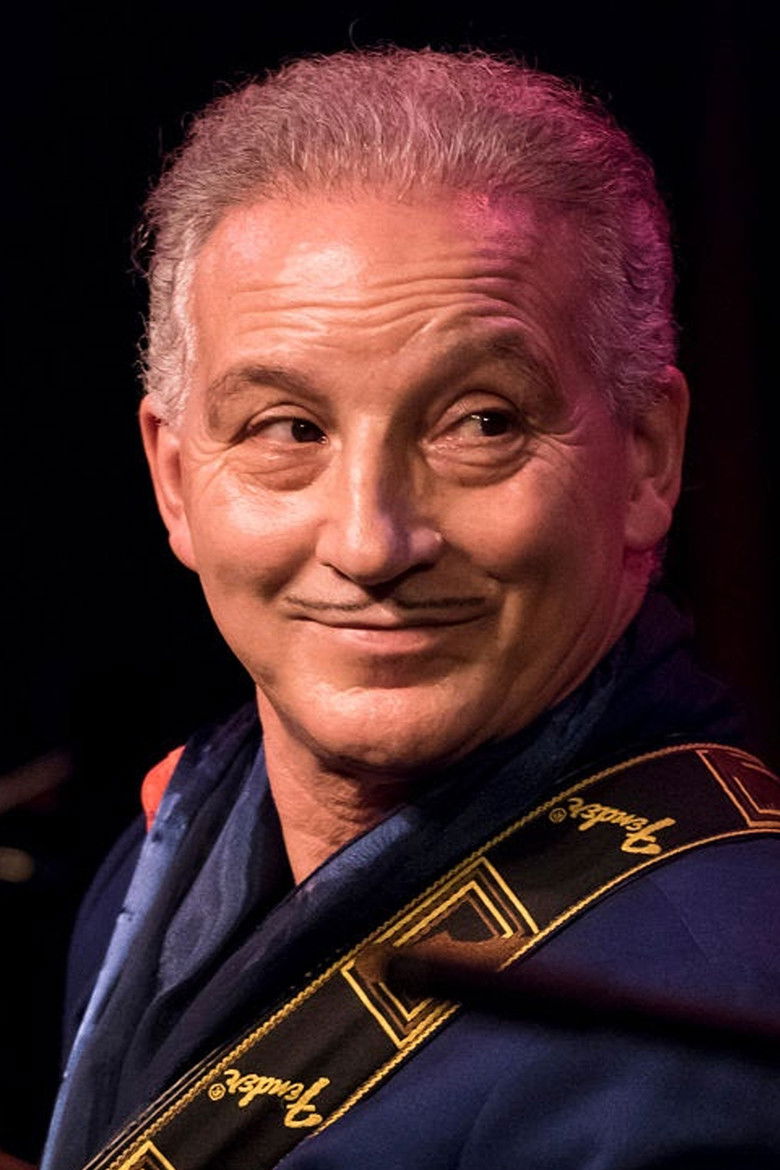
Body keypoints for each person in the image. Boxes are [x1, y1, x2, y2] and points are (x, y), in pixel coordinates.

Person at [41, 48, 779, 1170]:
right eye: (288, 429)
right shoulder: (177, 834)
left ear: (648, 457)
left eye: (481, 422)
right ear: (175, 478)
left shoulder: (709, 1007)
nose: (370, 543)